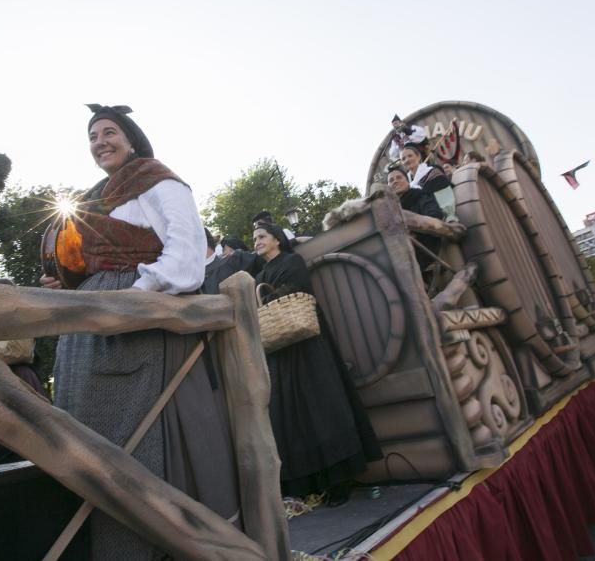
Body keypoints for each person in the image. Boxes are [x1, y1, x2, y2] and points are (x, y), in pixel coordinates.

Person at [41, 104, 239, 560]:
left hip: (133, 328)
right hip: (88, 329)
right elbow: (91, 259)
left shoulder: (157, 180)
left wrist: (136, 294)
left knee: (129, 442)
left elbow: (186, 255)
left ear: (131, 139)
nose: (99, 142)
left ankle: (150, 549)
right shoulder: (95, 197)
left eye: (109, 132)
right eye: (92, 136)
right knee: (83, 440)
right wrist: (69, 281)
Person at [252, 223, 381, 503]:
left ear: (277, 239)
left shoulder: (292, 261)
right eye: (254, 239)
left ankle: (339, 481)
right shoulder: (260, 274)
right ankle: (308, 483)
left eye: (262, 237)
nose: (257, 242)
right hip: (280, 350)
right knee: (290, 415)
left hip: (308, 347)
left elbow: (295, 289)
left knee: (320, 407)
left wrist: (265, 298)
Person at [386, 165, 445, 272]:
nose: (395, 181)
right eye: (391, 180)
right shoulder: (390, 210)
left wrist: (413, 231)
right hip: (403, 255)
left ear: (408, 181)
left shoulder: (421, 196)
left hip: (426, 249)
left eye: (399, 178)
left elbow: (435, 215)